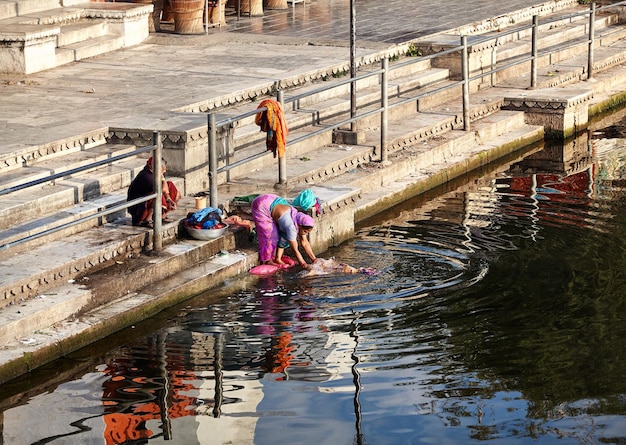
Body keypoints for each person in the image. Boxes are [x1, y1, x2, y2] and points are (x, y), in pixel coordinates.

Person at [251, 193, 317, 269]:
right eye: (305, 232)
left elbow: (305, 243)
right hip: (261, 204)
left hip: (271, 200)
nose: (305, 234)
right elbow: (295, 250)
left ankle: (277, 258)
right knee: (271, 236)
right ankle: (267, 260)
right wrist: (304, 265)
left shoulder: (298, 218)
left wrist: (314, 259)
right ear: (299, 225)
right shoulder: (291, 227)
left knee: (284, 236)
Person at [127, 156, 180, 228]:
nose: (164, 171)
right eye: (162, 169)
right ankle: (147, 219)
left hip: (147, 203)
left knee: (170, 185)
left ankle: (161, 216)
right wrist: (162, 177)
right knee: (156, 193)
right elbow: (162, 189)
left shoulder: (158, 173)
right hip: (139, 208)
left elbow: (166, 189)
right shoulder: (146, 176)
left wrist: (169, 199)